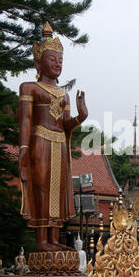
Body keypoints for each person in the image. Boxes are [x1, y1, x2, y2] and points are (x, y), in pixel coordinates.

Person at [18, 22, 88, 252]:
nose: (57, 64)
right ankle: (41, 242)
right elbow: (26, 120)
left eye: (60, 60)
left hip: (59, 144)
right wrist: (24, 149)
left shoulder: (64, 94)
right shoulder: (30, 88)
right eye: (52, 59)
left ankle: (54, 240)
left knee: (57, 190)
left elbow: (65, 126)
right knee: (41, 188)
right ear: (38, 62)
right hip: (40, 142)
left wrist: (81, 117)